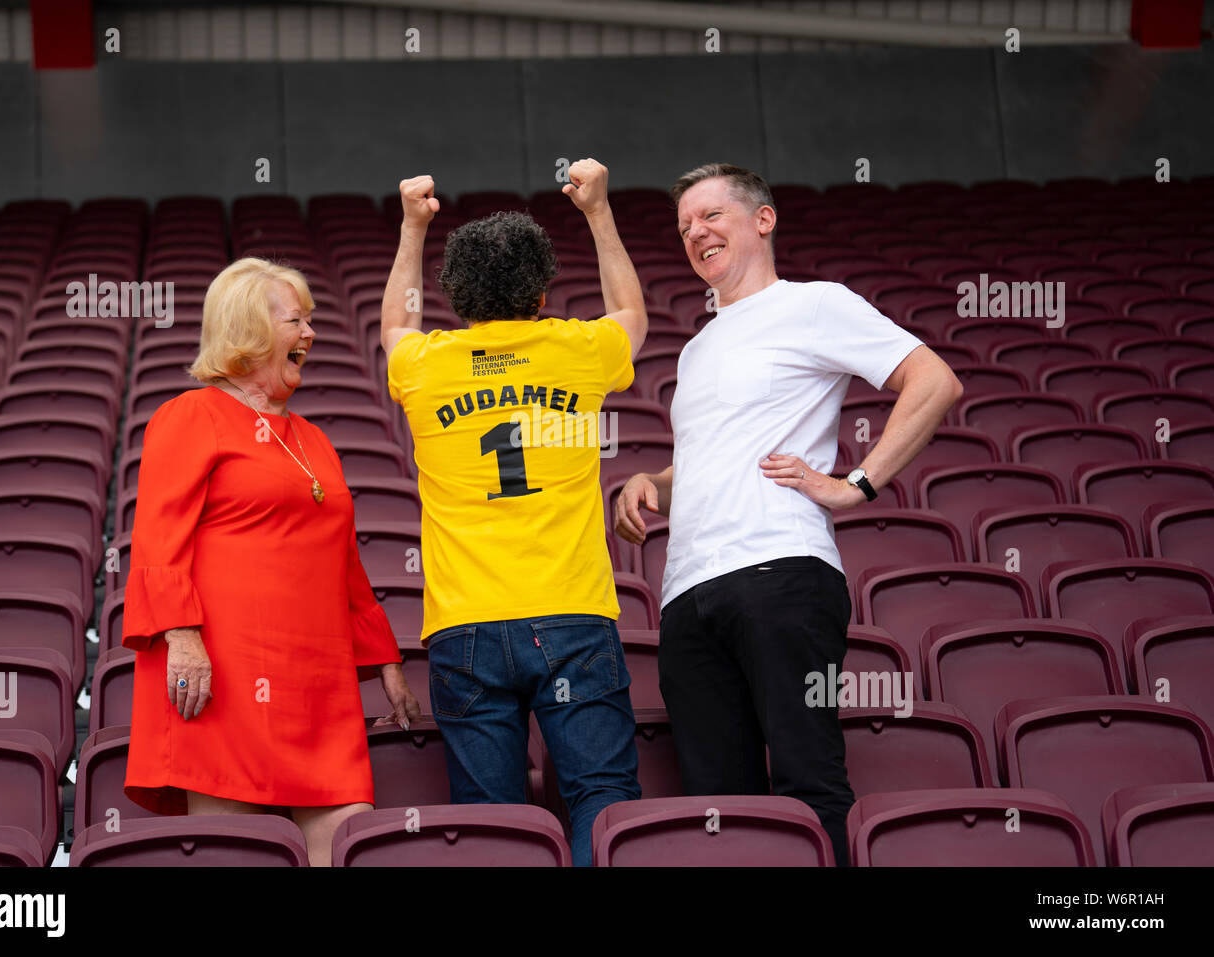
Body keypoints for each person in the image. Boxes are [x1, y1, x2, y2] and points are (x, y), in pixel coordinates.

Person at [614, 163, 963, 866]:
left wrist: (855, 483)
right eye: (685, 225)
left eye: (711, 215)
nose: (696, 233)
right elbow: (712, 460)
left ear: (762, 219)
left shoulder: (815, 303)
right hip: (689, 593)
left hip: (783, 574)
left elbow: (934, 378)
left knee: (807, 782)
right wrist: (651, 480)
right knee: (722, 808)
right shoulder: (697, 346)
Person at [381, 160, 648, 866]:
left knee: (490, 820)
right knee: (602, 797)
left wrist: (412, 226)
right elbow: (632, 314)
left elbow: (394, 321)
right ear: (541, 288)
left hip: (464, 624)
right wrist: (597, 211)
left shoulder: (426, 364)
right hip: (571, 615)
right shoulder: (579, 350)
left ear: (457, 291)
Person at [122, 257, 421, 867]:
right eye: (296, 320)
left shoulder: (313, 438)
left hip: (320, 684)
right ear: (248, 331)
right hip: (226, 678)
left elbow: (343, 563)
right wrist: (182, 639)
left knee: (346, 847)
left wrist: (384, 660)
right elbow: (158, 540)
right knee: (237, 856)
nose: (311, 333)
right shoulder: (190, 416)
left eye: (312, 320)